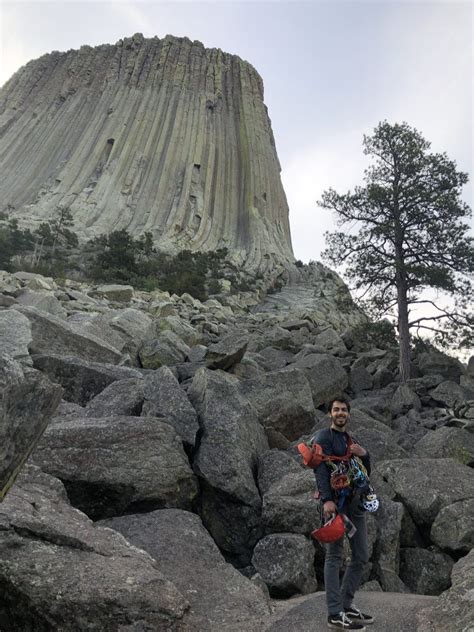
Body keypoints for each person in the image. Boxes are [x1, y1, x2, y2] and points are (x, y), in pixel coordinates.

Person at [313, 396, 374, 631]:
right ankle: (334, 613)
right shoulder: (324, 438)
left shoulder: (351, 440)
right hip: (336, 505)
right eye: (336, 409)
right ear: (330, 413)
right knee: (334, 556)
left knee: (361, 555)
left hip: (355, 504)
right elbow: (320, 470)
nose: (340, 413)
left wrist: (365, 454)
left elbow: (365, 472)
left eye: (344, 410)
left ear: (349, 414)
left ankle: (346, 605)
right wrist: (327, 500)